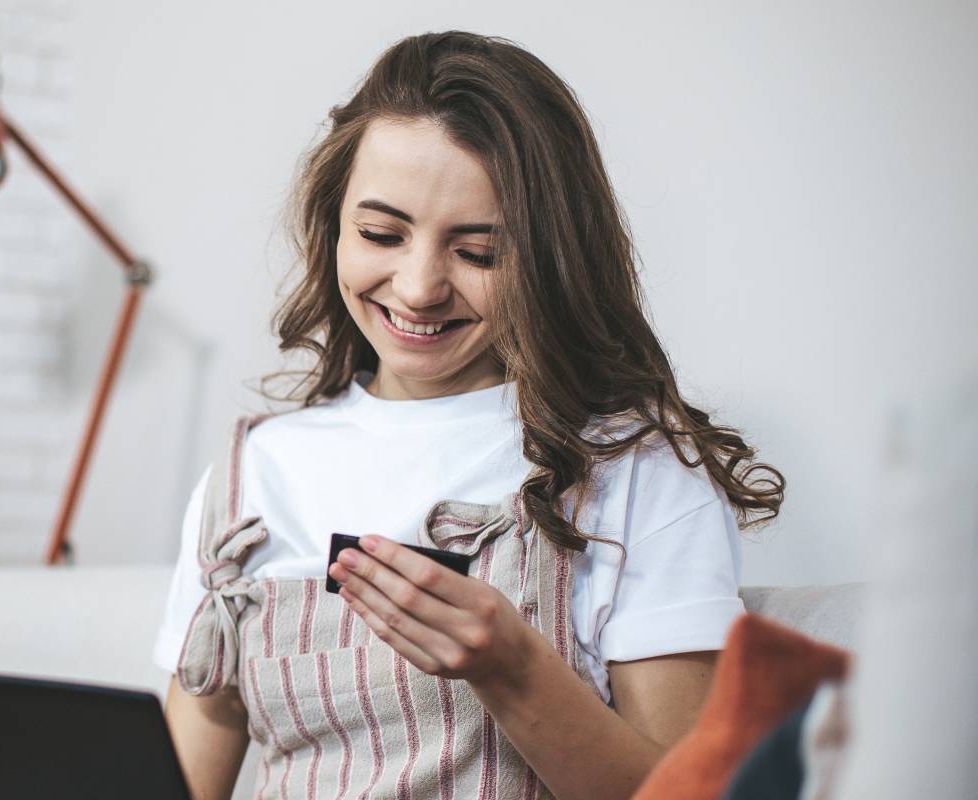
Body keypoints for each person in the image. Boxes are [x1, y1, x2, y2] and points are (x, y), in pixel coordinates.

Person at [153, 31, 785, 800]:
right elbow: (186, 763)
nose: (419, 287)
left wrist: (513, 671)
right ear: (332, 227)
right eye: (381, 234)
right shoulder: (254, 472)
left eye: (479, 251)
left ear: (551, 256)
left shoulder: (635, 468)